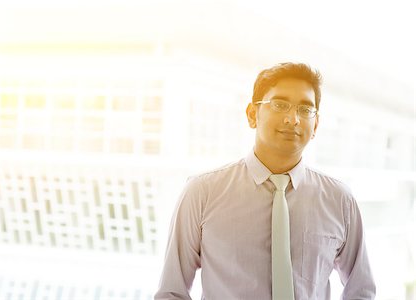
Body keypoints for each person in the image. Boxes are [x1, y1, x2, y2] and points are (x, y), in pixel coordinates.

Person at [154, 62, 376, 299]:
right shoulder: (202, 192)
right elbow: (172, 291)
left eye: (304, 109)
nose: (293, 119)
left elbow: (361, 289)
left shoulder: (339, 200)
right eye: (280, 105)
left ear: (316, 125)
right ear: (252, 114)